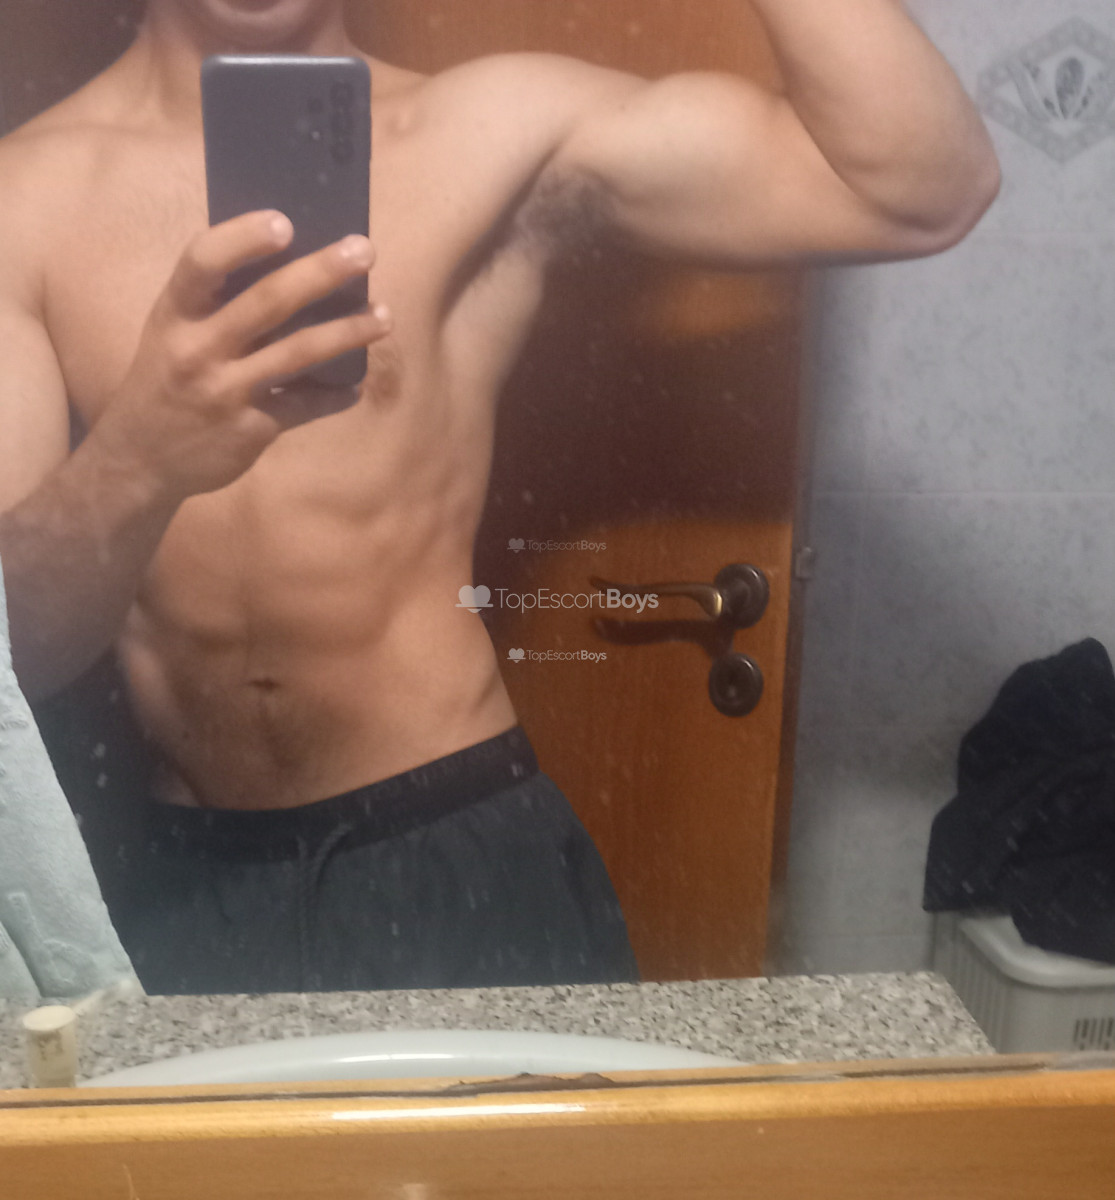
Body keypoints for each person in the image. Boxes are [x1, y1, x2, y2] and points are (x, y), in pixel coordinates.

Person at [0, 0, 1000, 993]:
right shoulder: (25, 199)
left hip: (457, 845)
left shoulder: (487, 134)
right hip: (180, 878)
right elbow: (23, 655)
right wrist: (138, 457)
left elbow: (919, 191)